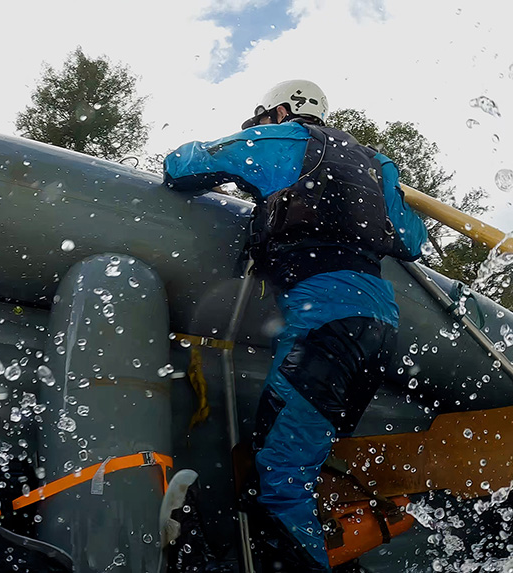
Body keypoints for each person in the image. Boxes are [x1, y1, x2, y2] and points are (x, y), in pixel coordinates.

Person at [163, 79, 428, 571]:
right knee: (294, 471)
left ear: (282, 109)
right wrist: (384, 179)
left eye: (264, 117)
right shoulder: (374, 163)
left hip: (326, 329)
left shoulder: (279, 138)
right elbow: (412, 239)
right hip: (380, 330)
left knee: (278, 484)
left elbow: (182, 165)